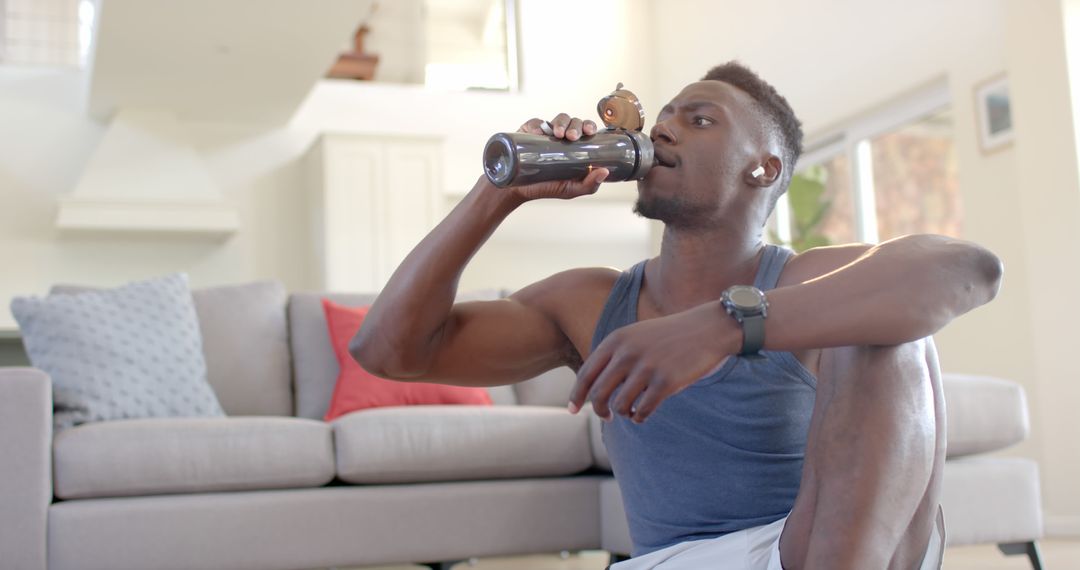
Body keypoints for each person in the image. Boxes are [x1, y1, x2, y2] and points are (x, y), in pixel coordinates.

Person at [349, 61, 1003, 570]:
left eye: (700, 120)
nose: (662, 129)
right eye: (663, 118)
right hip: (679, 561)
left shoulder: (808, 280)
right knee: (881, 316)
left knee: (888, 328)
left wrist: (725, 325)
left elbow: (969, 268)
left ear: (764, 167)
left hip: (823, 551)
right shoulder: (587, 303)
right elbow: (387, 351)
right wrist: (497, 194)